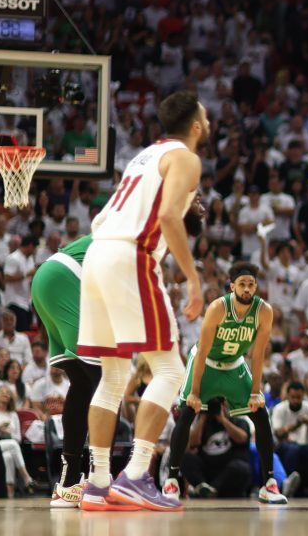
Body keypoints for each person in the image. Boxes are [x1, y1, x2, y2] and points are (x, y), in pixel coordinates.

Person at [76, 91, 208, 512]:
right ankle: (135, 474)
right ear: (196, 125)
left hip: (97, 253)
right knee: (171, 370)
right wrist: (193, 280)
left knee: (114, 376)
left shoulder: (143, 157)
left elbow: (105, 218)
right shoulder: (185, 157)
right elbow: (168, 216)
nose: (207, 123)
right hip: (130, 256)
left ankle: (98, 482)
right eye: (205, 118)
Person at [165, 262, 287, 505]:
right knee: (187, 411)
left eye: (251, 284)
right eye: (242, 284)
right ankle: (172, 481)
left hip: (234, 365)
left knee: (261, 414)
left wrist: (256, 392)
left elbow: (258, 354)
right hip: (207, 363)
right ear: (232, 287)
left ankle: (269, 484)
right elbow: (202, 352)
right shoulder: (218, 308)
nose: (247, 289)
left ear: (256, 287)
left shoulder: (264, 311)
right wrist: (195, 393)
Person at [29, 234, 102, 508]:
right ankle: (99, 481)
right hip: (70, 280)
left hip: (47, 277)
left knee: (83, 384)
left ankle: (68, 485)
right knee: (108, 382)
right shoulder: (146, 228)